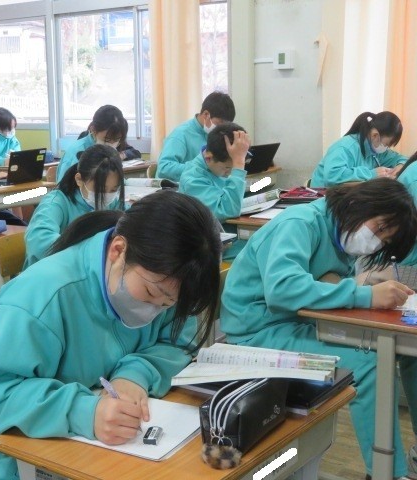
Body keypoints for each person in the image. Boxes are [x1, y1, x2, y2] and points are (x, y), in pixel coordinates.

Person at [0, 190, 222, 480]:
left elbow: (179, 344)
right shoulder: (41, 296)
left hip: (115, 454)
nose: (154, 310)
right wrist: (83, 412)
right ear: (118, 250)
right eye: (150, 293)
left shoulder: (169, 278)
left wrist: (136, 374)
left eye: (167, 304)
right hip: (31, 459)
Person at [220, 178, 417, 479]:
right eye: (379, 229)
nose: (375, 242)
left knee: (405, 351)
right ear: (360, 204)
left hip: (301, 324)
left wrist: (358, 286)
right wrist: (364, 295)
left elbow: (324, 283)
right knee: (368, 363)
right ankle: (386, 472)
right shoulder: (301, 224)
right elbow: (283, 290)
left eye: (384, 241)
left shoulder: (339, 233)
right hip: (258, 333)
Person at [24, 144, 125, 268]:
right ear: (79, 179)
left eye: (114, 190)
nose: (107, 196)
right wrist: (89, 253)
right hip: (52, 270)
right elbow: (38, 241)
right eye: (100, 189)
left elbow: (132, 221)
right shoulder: (56, 202)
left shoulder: (113, 202)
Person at [178, 123, 250, 260]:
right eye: (228, 168)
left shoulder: (216, 167)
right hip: (207, 247)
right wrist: (238, 164)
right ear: (208, 158)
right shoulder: (193, 180)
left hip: (229, 233)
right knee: (261, 249)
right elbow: (229, 210)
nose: (230, 173)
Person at [310, 111, 406, 187]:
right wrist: (371, 174)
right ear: (375, 135)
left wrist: (400, 166)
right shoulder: (345, 147)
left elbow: (401, 158)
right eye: (386, 144)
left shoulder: (376, 150)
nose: (386, 148)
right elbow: (332, 176)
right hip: (323, 197)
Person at [156, 91, 236, 182]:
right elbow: (164, 168)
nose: (221, 129)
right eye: (219, 123)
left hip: (204, 184)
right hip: (178, 187)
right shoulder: (181, 134)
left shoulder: (214, 135)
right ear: (206, 114)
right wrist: (202, 169)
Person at [56, 105, 128, 181]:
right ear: (93, 130)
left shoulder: (108, 151)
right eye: (107, 139)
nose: (111, 145)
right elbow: (63, 187)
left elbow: (116, 181)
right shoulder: (76, 152)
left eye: (116, 140)